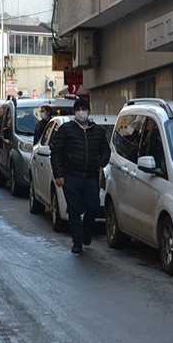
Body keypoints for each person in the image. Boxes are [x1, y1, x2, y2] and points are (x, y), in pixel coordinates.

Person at [50, 98, 111, 254]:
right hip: (71, 176)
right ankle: (77, 242)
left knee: (94, 207)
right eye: (79, 109)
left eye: (84, 109)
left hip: (90, 177)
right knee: (74, 210)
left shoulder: (97, 131)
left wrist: (101, 163)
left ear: (89, 111)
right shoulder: (66, 130)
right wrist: (58, 174)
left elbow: (106, 150)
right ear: (74, 112)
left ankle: (86, 231)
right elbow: (56, 153)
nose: (81, 112)